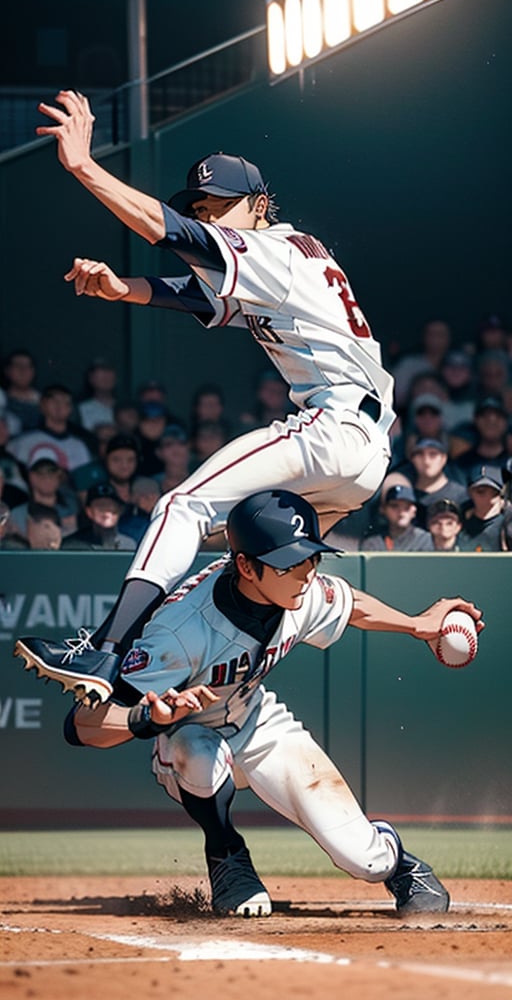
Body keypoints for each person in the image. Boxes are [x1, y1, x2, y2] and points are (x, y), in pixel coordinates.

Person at [19, 89, 395, 704]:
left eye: (221, 204)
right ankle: (199, 680)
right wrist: (123, 290)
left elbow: (170, 233)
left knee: (181, 507)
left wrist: (84, 168)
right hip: (362, 458)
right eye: (201, 204)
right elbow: (199, 296)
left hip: (335, 429)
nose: (209, 215)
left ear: (260, 204)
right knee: (246, 559)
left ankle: (108, 653)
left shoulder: (271, 248)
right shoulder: (295, 257)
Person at [19, 491, 483, 916]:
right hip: (186, 737)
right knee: (197, 750)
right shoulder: (179, 633)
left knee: (361, 857)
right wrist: (146, 717)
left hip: (256, 720)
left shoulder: (300, 589)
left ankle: (399, 864)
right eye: (289, 563)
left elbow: (349, 603)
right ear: (245, 566)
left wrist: (416, 624)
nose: (305, 571)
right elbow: (81, 725)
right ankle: (227, 856)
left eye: (310, 558)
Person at [8, 383, 92, 474]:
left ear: (71, 409)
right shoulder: (22, 442)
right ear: (42, 405)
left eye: (65, 402)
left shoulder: (79, 446)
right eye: (54, 400)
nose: (60, 405)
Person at [9, 445, 80, 539]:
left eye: (51, 472)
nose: (47, 478)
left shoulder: (73, 509)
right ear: (31, 476)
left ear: (60, 475)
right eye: (40, 472)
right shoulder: (17, 514)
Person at [408, 438, 468, 528]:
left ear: (444, 458)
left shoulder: (461, 495)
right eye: (420, 454)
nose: (426, 461)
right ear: (412, 459)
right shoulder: (405, 495)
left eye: (433, 454)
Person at [61, 483, 137, 551]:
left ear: (119, 511)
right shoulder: (72, 545)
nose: (107, 512)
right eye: (101, 507)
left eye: (112, 507)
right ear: (89, 512)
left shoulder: (128, 545)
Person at [361, 484, 433, 552]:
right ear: (383, 509)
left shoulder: (424, 539)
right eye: (394, 506)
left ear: (414, 511)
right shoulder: (373, 541)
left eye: (406, 507)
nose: (401, 512)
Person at [457, 465, 506, 552]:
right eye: (481, 491)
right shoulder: (458, 524)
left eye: (494, 492)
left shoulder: (507, 524)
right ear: (470, 492)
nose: (488, 497)